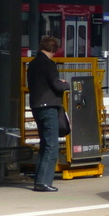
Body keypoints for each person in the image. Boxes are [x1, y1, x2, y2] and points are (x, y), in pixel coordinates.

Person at [27, 35, 70, 192]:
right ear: (53, 50)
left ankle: (39, 179)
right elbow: (56, 85)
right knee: (52, 145)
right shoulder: (48, 64)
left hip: (36, 106)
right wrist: (65, 84)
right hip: (48, 107)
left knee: (44, 144)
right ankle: (43, 182)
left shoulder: (32, 64)